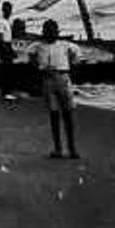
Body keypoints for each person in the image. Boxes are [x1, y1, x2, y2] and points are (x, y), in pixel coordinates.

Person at [29, 19, 80, 159]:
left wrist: (70, 67)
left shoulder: (65, 45)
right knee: (54, 114)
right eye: (48, 32)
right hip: (48, 79)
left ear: (57, 33)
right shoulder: (38, 46)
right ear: (44, 33)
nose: (50, 34)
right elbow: (31, 54)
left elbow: (76, 54)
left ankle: (71, 148)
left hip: (62, 77)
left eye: (53, 32)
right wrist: (38, 67)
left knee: (67, 114)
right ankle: (58, 148)